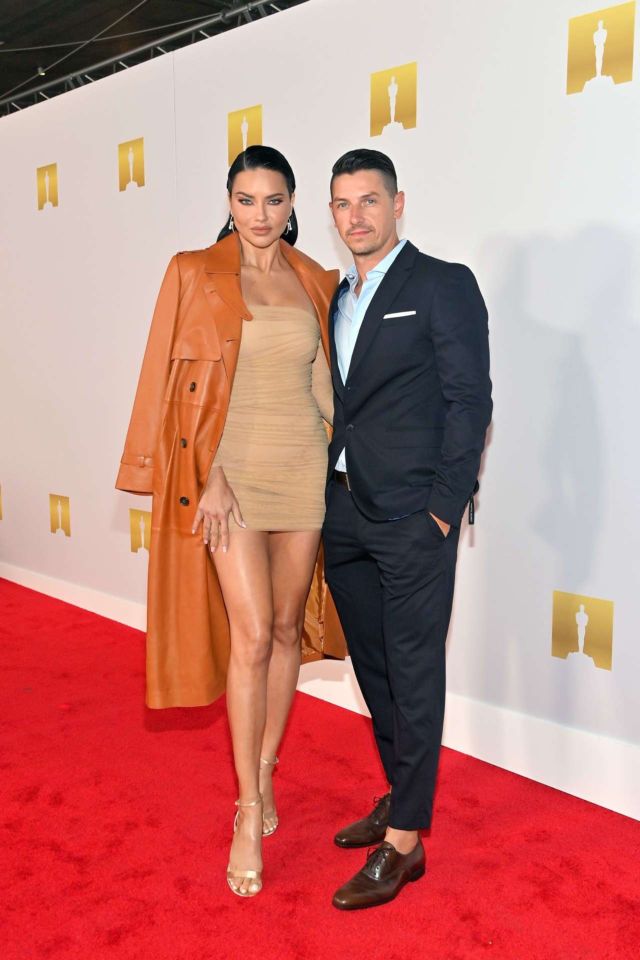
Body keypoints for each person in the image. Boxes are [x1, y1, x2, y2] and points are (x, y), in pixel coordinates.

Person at [115, 146, 346, 898]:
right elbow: (164, 381)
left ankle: (268, 769)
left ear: (292, 204)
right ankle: (247, 808)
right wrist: (203, 474)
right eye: (246, 200)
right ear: (228, 201)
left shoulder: (315, 280)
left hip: (301, 470)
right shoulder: (193, 272)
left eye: (273, 200)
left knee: (283, 630)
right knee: (248, 635)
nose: (259, 215)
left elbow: (325, 387)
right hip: (230, 480)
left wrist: (371, 458)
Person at [322, 148, 493, 910]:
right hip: (344, 511)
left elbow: (470, 401)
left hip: (413, 518)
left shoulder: (442, 284)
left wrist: (443, 508)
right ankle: (401, 792)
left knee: (415, 669)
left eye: (369, 200)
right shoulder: (338, 295)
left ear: (398, 204)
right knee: (375, 667)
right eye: (342, 203)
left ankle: (404, 843)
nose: (355, 216)